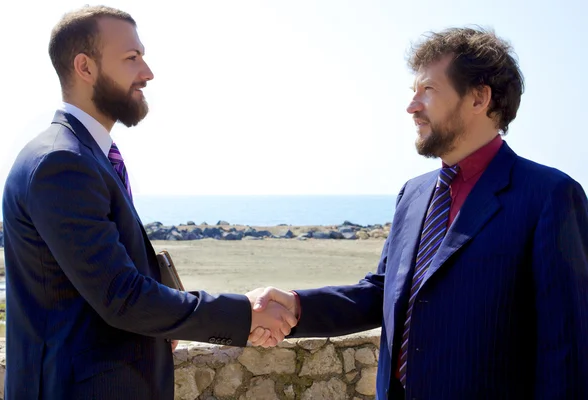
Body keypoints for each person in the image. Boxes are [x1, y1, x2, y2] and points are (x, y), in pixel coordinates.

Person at [248, 27, 588, 399]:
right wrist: (296, 306)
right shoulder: (413, 193)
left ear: (479, 98)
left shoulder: (549, 195)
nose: (412, 106)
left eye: (428, 90)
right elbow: (382, 294)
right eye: (413, 91)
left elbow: (566, 349)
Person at [2, 6, 295, 399]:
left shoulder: (85, 156)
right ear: (84, 67)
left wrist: (168, 320)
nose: (147, 72)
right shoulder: (62, 162)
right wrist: (246, 312)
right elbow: (120, 295)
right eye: (131, 58)